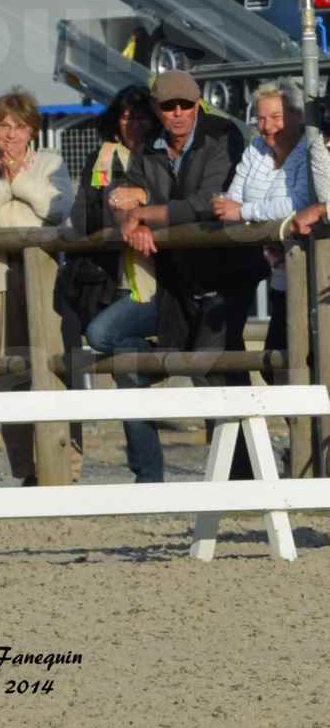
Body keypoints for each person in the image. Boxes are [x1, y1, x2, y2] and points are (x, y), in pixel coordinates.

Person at [111, 70, 261, 481]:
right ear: (157, 110)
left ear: (198, 103)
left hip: (230, 268)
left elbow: (206, 203)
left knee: (210, 361)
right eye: (168, 106)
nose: (178, 113)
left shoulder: (222, 135)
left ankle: (245, 469)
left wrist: (145, 211)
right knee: (216, 364)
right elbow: (125, 192)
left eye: (186, 105)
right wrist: (130, 221)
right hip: (182, 277)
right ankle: (245, 469)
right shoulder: (147, 148)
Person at [0, 88, 74, 486]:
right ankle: (25, 468)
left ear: (32, 131)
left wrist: (18, 179)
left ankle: (64, 463)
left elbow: (57, 209)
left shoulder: (51, 163)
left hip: (42, 278)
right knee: (8, 373)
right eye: (3, 126)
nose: (10, 135)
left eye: (19, 127)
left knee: (52, 366)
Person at [59, 85, 163, 483]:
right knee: (128, 371)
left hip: (157, 283)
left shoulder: (158, 157)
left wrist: (140, 204)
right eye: (125, 116)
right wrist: (117, 209)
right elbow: (82, 218)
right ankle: (147, 474)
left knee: (103, 335)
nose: (133, 124)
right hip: (113, 283)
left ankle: (166, 354)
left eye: (140, 117)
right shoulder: (101, 158)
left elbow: (179, 201)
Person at [215, 83, 328, 393]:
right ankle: (301, 437)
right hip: (279, 272)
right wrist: (250, 214)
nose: (268, 127)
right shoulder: (255, 149)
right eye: (261, 119)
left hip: (312, 272)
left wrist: (246, 211)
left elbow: (299, 203)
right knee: (276, 365)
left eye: (276, 117)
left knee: (309, 360)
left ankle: (312, 436)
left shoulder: (312, 146)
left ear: (296, 115)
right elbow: (229, 202)